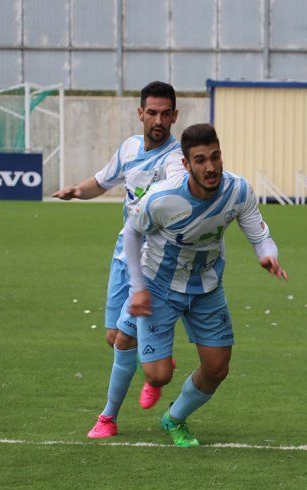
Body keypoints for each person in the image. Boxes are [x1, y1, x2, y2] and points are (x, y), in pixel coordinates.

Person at [118, 123, 287, 447]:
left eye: (215, 157)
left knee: (217, 369)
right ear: (186, 163)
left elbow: (259, 234)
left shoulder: (238, 190)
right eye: (200, 160)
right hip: (159, 289)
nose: (210, 167)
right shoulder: (161, 198)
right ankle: (155, 365)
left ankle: (174, 418)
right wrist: (138, 288)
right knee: (158, 375)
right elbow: (131, 234)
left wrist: (268, 255)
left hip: (207, 288)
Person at [52, 81, 187, 437]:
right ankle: (159, 361)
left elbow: (178, 190)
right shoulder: (128, 148)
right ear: (140, 112)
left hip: (154, 263)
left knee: (126, 341)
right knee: (113, 337)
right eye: (152, 112)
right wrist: (77, 192)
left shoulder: (175, 160)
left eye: (165, 113)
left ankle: (108, 418)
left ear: (174, 116)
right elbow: (102, 181)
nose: (158, 120)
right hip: (123, 255)